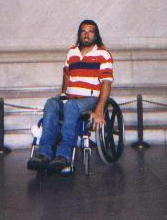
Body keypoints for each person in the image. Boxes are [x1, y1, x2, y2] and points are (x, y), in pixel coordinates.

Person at [27, 19, 113, 172]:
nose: (86, 35)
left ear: (96, 35)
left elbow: (106, 83)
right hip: (71, 99)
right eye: (83, 31)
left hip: (90, 99)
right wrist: (63, 93)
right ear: (79, 34)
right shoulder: (72, 52)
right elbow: (66, 74)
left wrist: (100, 109)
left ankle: (63, 155)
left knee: (72, 106)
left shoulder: (103, 54)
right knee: (51, 103)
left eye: (90, 32)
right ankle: (44, 154)